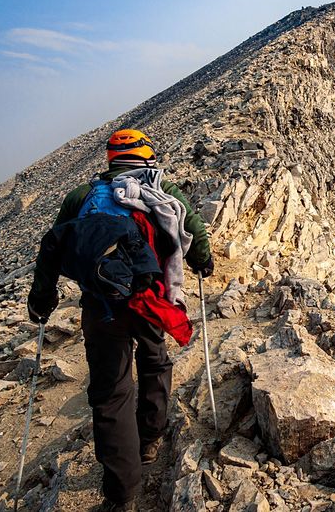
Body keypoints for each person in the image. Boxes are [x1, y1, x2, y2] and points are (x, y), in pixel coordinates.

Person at [27, 128, 213, 511]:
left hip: (102, 306)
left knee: (110, 393)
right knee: (154, 360)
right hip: (150, 300)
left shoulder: (82, 197)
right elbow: (192, 227)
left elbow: (53, 245)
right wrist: (202, 261)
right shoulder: (163, 190)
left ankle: (121, 493)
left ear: (111, 159)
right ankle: (150, 438)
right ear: (146, 155)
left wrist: (42, 300)